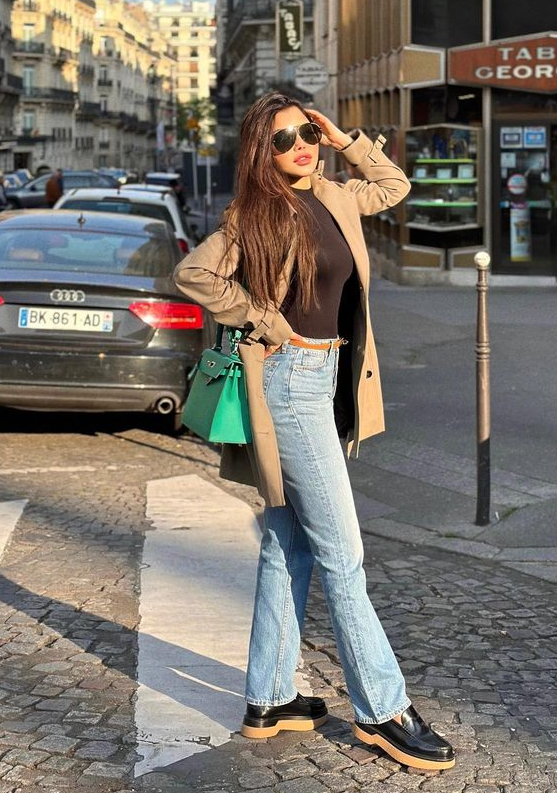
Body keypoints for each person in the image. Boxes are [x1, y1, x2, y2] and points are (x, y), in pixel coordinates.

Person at [173, 92, 455, 772]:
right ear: (261, 152)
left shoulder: (334, 196)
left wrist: (344, 138)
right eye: (283, 138)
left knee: (287, 542)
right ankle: (383, 710)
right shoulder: (255, 215)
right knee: (343, 553)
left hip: (326, 379)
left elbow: (394, 184)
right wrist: (264, 320)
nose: (299, 145)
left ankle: (269, 698)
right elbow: (192, 273)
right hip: (289, 382)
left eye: (306, 132)